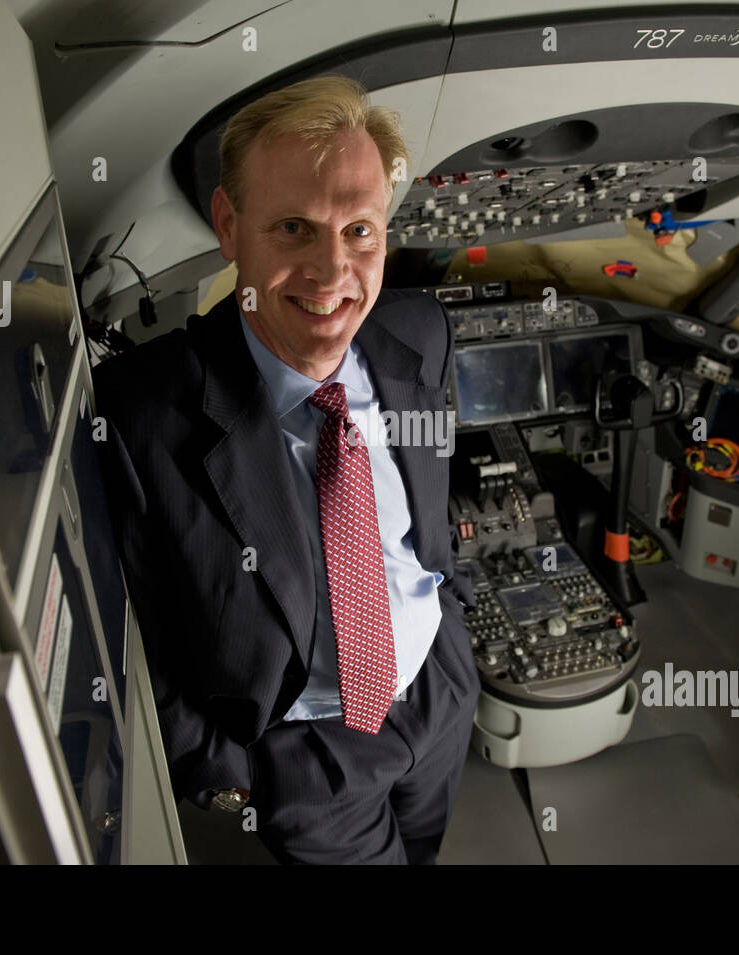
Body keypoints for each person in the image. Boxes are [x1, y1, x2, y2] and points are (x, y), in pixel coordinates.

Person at [93, 75, 479, 864]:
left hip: (437, 689)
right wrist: (233, 777)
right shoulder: (140, 414)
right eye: (296, 228)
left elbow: (434, 500)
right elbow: (133, 637)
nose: (333, 273)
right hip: (307, 754)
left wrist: (454, 620)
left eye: (360, 231)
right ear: (230, 226)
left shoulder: (421, 330)